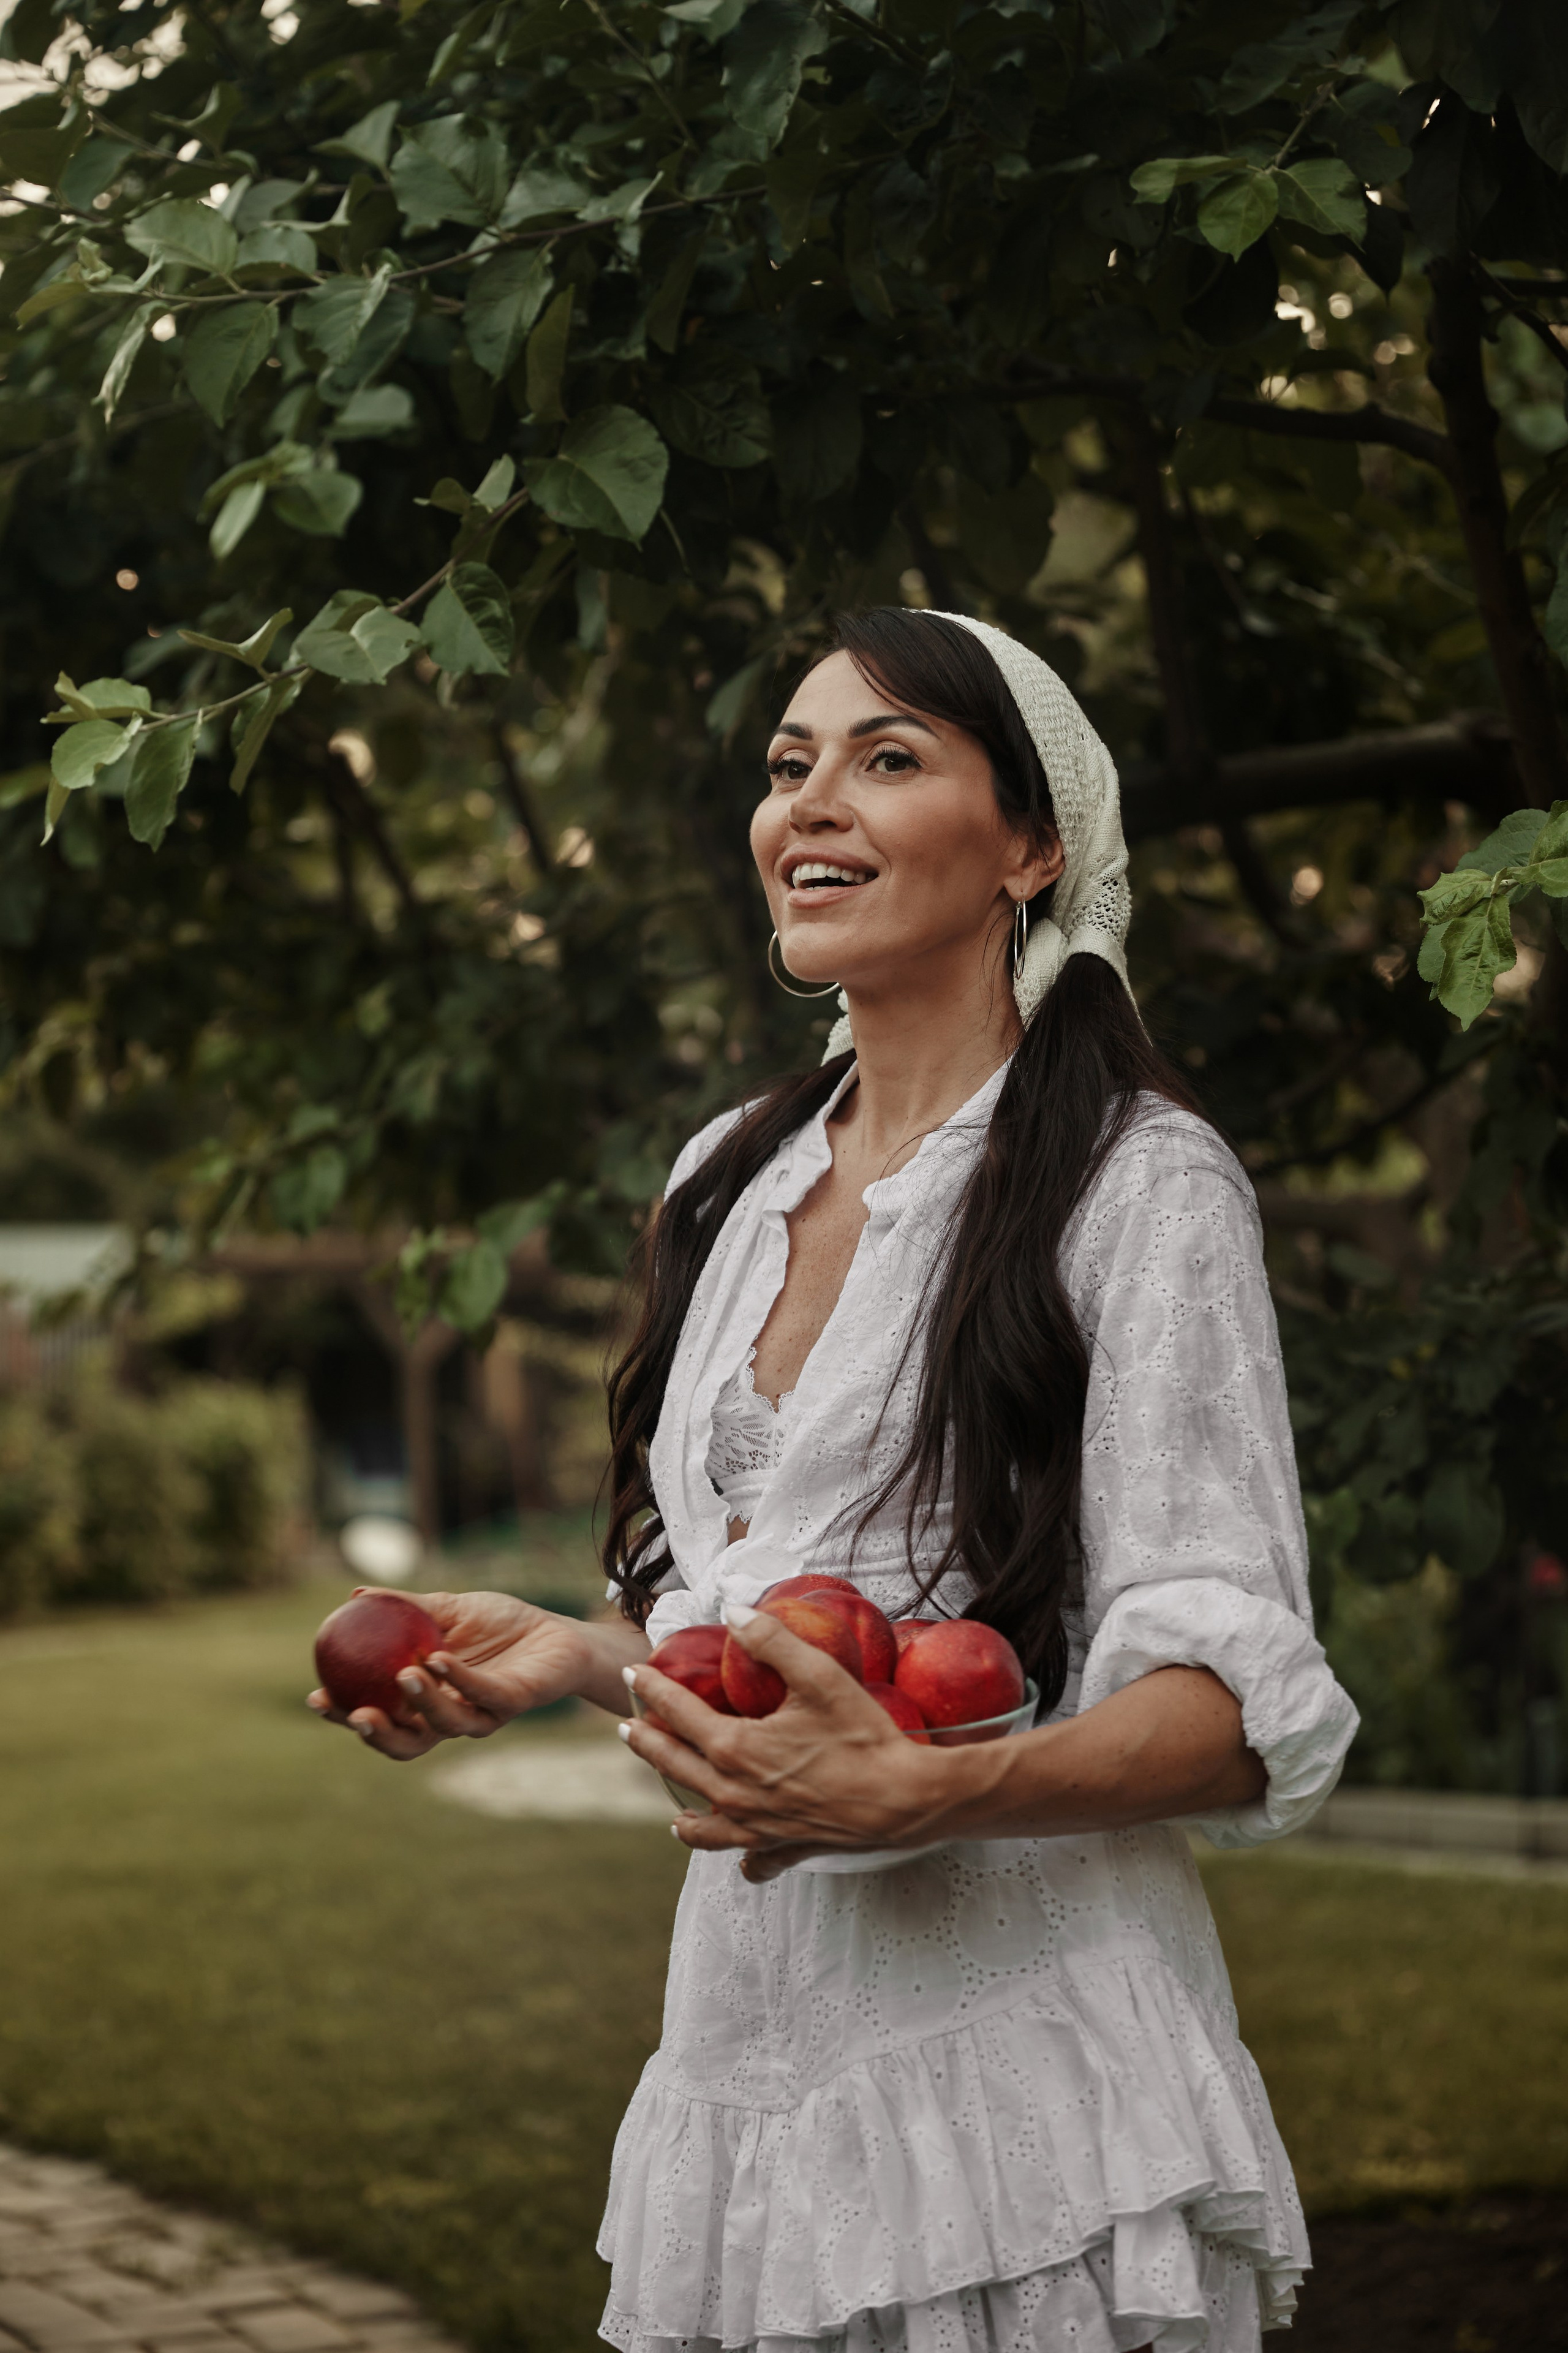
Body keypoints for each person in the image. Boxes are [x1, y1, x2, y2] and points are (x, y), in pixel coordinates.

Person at [311, 608, 1358, 2353]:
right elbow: (766, 1642)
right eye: (790, 762)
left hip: (1022, 2081)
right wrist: (584, 1657)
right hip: (747, 2067)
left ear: (1033, 847)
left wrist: (936, 1793)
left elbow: (1235, 1712)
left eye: (888, 758)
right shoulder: (724, 1182)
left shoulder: (1140, 1185)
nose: (810, 802)